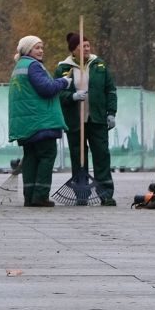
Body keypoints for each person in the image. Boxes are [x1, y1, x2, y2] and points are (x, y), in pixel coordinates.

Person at [8, 35, 82, 208]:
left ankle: (29, 197)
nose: (41, 50)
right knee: (46, 156)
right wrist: (63, 82)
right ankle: (40, 196)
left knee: (31, 158)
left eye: (41, 47)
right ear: (28, 50)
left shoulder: (20, 66)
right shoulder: (34, 66)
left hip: (26, 124)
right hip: (40, 122)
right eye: (37, 47)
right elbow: (46, 89)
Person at [57, 32, 118, 207]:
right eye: (82, 46)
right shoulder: (64, 68)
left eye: (88, 45)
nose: (86, 48)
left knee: (102, 155)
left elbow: (110, 90)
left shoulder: (99, 65)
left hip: (97, 119)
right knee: (79, 157)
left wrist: (111, 112)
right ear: (73, 50)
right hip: (76, 121)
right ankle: (81, 193)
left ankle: (106, 193)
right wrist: (73, 96)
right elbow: (58, 93)